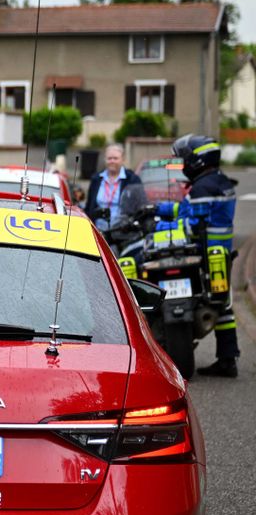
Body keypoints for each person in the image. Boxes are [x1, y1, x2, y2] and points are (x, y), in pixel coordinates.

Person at [156, 134, 239, 377]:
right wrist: (160, 208)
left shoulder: (203, 187)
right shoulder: (218, 181)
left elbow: (192, 225)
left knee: (219, 304)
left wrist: (161, 227)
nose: (183, 165)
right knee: (223, 305)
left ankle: (224, 360)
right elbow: (189, 210)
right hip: (219, 254)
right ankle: (228, 358)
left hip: (204, 253)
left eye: (186, 160)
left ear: (198, 161)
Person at [84, 143, 142, 231]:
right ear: (105, 160)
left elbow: (139, 207)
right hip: (98, 232)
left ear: (123, 159)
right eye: (109, 158)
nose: (112, 161)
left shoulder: (132, 179)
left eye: (115, 158)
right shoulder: (96, 179)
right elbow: (89, 207)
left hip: (123, 232)